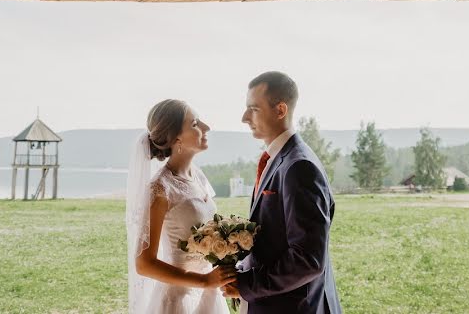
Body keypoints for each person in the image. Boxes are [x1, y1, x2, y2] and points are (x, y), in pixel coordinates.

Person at [223, 71, 342, 313]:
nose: (244, 117)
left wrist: (249, 285)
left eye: (253, 109)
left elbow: (308, 260)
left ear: (280, 110)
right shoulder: (278, 159)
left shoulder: (299, 167)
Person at [127, 98, 236, 313]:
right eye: (195, 124)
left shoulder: (199, 177)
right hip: (179, 300)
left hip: (209, 294)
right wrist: (204, 280)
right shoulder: (160, 189)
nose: (206, 127)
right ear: (176, 137)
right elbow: (144, 264)